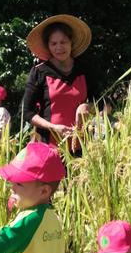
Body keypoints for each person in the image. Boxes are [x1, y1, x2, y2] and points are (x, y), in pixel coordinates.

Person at [22, 15, 99, 153]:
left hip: (82, 148)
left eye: (63, 42)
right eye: (54, 43)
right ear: (48, 46)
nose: (59, 47)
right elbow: (27, 112)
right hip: (49, 148)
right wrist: (53, 127)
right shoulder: (39, 72)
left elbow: (103, 103)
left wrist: (88, 106)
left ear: (71, 42)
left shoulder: (85, 70)